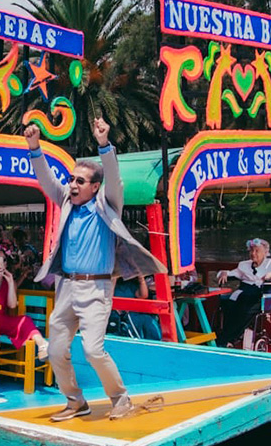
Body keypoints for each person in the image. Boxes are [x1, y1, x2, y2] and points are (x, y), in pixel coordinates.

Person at [24, 118, 167, 422]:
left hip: (97, 288)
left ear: (94, 187)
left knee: (92, 350)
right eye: (72, 179)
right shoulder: (66, 200)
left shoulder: (108, 204)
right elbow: (48, 180)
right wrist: (34, 148)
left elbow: (114, 179)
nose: (72, 185)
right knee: (55, 349)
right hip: (66, 286)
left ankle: (120, 398)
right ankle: (76, 402)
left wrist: (104, 144)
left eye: (79, 181)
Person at [0, 244, 48, 391]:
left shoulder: (10, 281)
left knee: (24, 320)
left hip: (1, 318)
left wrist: (10, 282)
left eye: (2, 260)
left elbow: (12, 305)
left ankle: (42, 345)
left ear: (6, 263)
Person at [215, 238, 271, 347]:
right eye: (251, 251)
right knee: (228, 304)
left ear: (265, 252)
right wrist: (223, 273)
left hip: (262, 295)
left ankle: (228, 338)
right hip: (244, 293)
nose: (253, 253)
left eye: (256, 251)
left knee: (246, 308)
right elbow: (231, 273)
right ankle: (227, 337)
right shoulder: (244, 265)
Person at [110, 276, 162, 341]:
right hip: (120, 317)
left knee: (148, 320)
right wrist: (114, 277)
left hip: (134, 314)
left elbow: (143, 295)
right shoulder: (109, 284)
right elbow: (108, 295)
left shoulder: (130, 283)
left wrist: (141, 279)